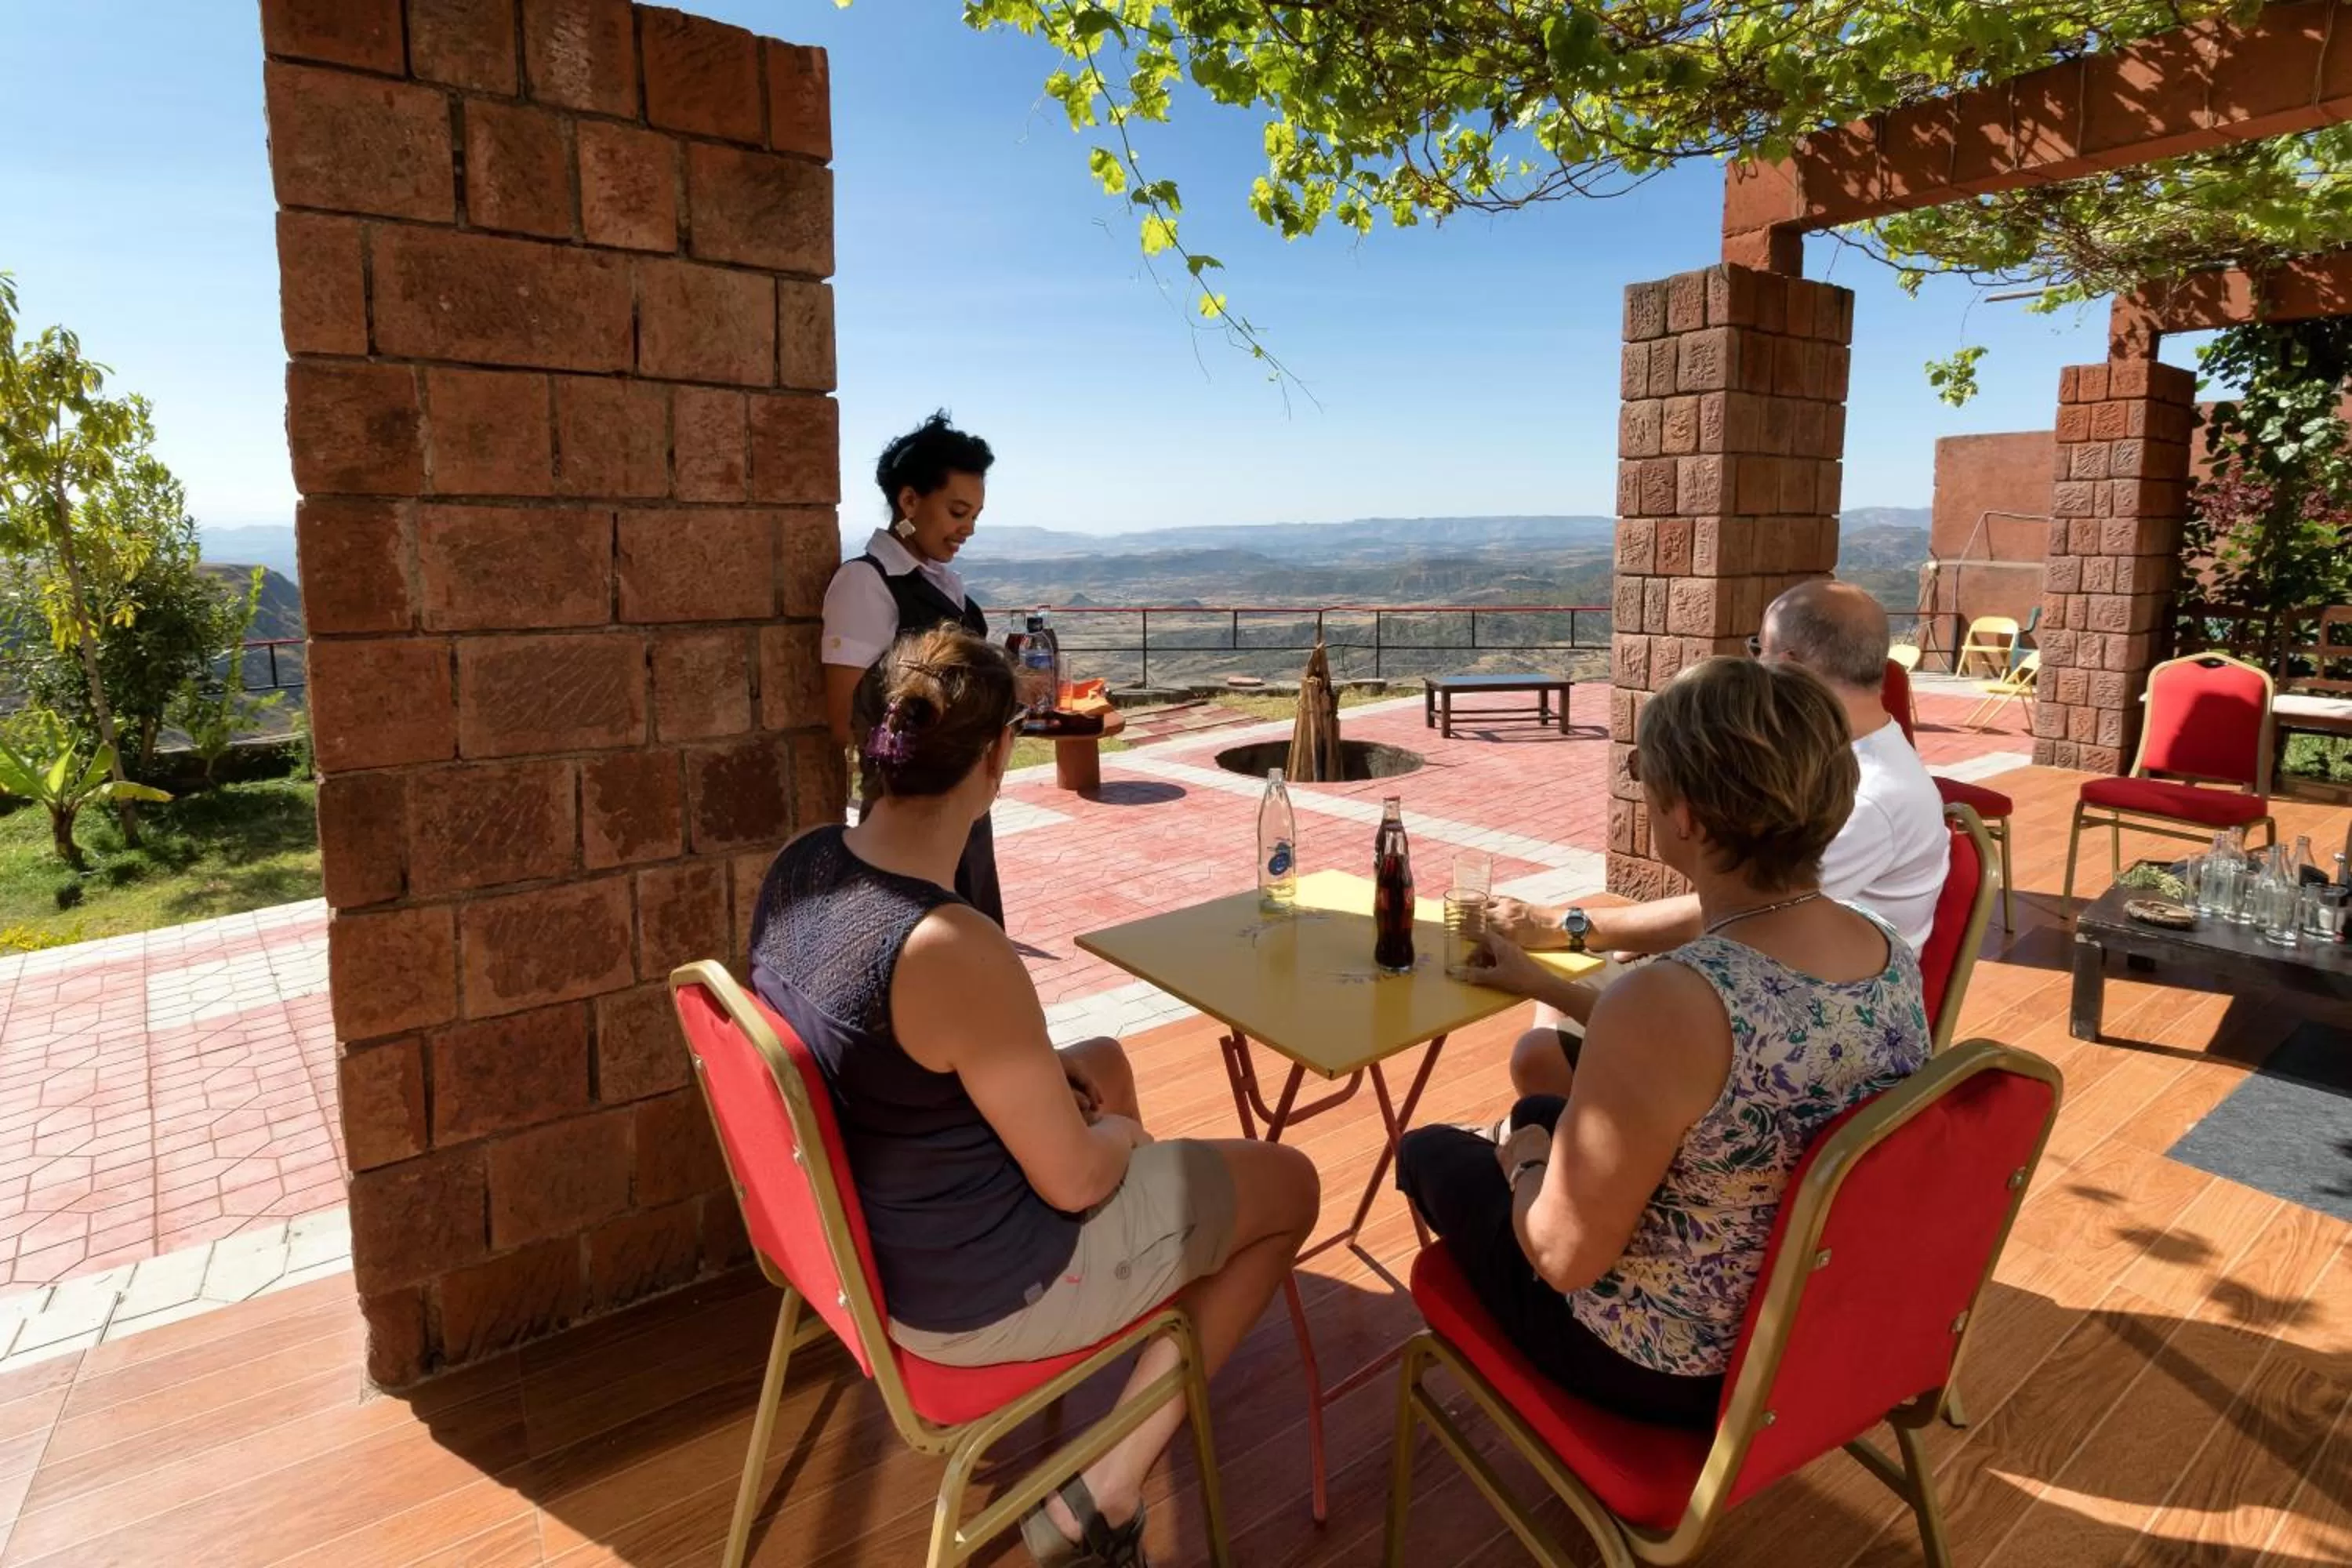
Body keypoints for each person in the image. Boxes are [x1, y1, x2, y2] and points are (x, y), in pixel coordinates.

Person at [752, 627, 1320, 1568]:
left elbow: (886, 1052)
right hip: (972, 1288)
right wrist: (1127, 1140)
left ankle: (1152, 1280)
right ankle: (1104, 1489)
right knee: (1288, 1183)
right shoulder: (946, 943)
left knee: (1097, 1054)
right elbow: (1071, 1180)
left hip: (865, 1231)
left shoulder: (803, 863)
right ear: (998, 758)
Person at [1395, 656, 1930, 1427]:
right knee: (1544, 1098)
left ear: (1686, 814)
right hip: (1806, 1324)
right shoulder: (1882, 947)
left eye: (1645, 771)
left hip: (1668, 1362)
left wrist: (1527, 1159)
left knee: (1429, 1149)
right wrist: (1547, 981)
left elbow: (1562, 1255)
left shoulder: (1673, 998)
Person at [1494, 578, 1948, 1096]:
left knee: (1538, 1052)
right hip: (1825, 1010)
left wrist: (1570, 926)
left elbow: (1757, 917)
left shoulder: (1862, 795)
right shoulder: (1844, 765)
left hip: (1794, 1024)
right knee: (1569, 985)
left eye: (1759, 650)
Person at [822, 412, 1008, 924]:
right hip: (908, 819)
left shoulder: (943, 584)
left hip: (961, 812)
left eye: (975, 515)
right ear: (909, 501)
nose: (968, 528)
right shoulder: (866, 584)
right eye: (957, 511)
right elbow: (845, 718)